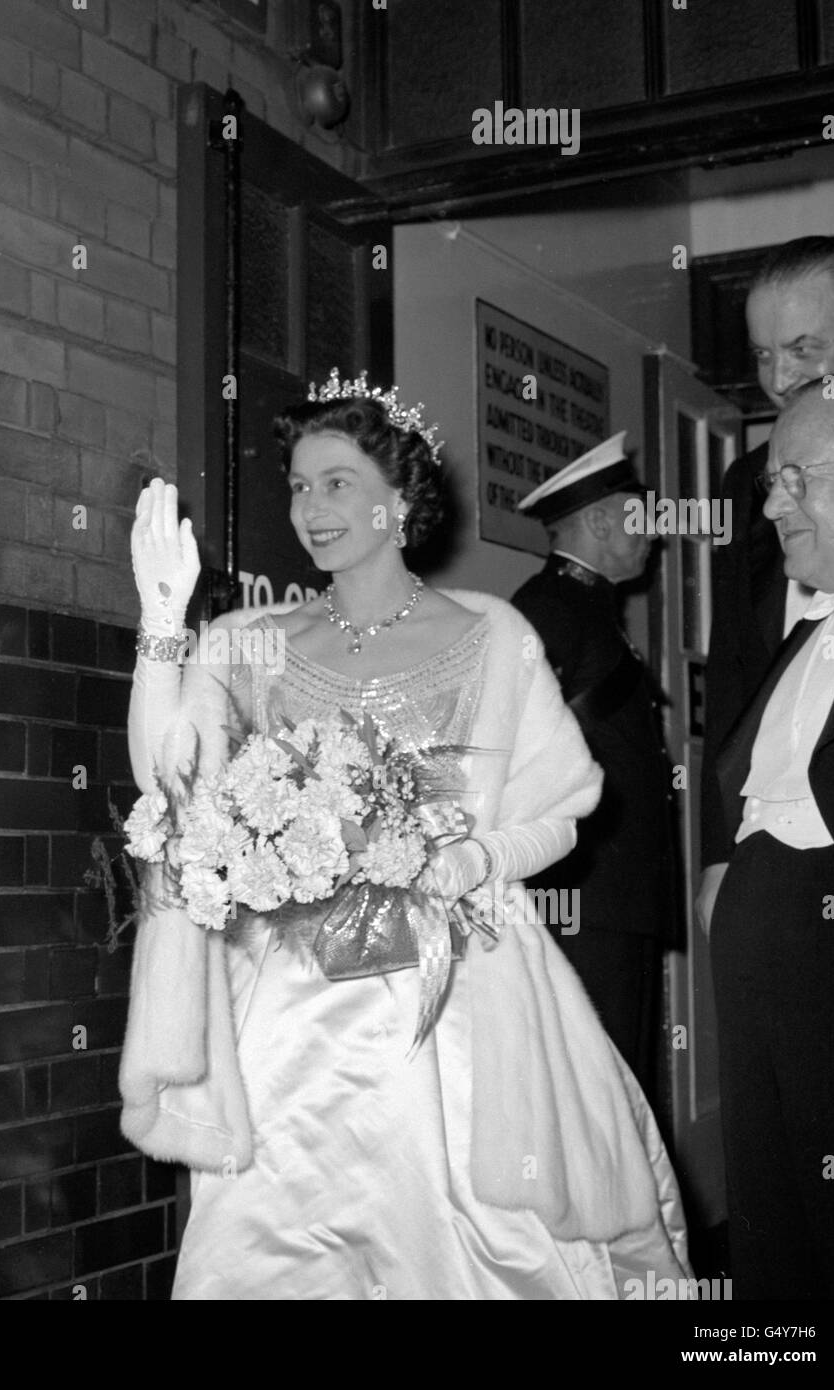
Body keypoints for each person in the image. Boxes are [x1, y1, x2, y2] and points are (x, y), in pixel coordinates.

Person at [118, 370, 690, 1299]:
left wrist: (475, 858)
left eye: (338, 483)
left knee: (457, 1231)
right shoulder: (250, 638)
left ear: (400, 499)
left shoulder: (493, 634)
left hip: (455, 986)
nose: (311, 509)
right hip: (289, 1009)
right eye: (299, 488)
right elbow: (170, 780)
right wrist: (159, 626)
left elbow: (561, 808)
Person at [711, 372, 834, 1301]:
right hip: (764, 958)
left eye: (795, 476)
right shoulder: (806, 628)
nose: (773, 503)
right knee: (775, 1233)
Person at [698, 236, 834, 935]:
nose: (779, 377)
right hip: (777, 852)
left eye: (803, 347)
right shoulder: (745, 490)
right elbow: (735, 677)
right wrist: (717, 855)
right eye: (764, 355)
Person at [511, 434, 679, 1102]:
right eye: (640, 516)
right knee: (598, 1098)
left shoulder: (587, 608)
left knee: (621, 1092)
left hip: (612, 895)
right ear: (604, 521)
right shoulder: (551, 609)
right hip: (584, 896)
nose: (654, 535)